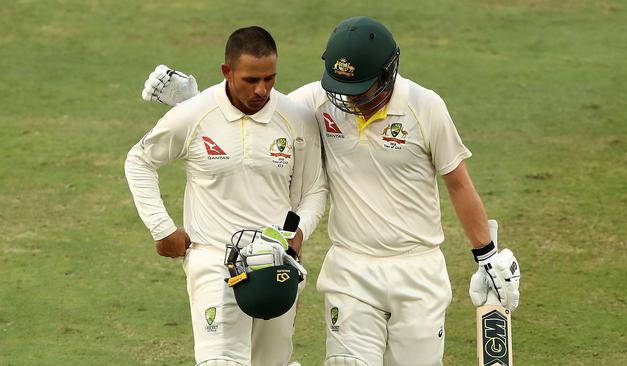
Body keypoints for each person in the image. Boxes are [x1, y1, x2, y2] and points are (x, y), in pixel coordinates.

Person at [141, 16, 521, 366]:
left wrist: (486, 256)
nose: (347, 98)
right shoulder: (320, 101)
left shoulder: (426, 107)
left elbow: (458, 183)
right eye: (341, 87)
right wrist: (196, 103)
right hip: (350, 268)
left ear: (388, 73)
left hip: (417, 266)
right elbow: (262, 106)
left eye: (359, 87)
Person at [125, 26, 327, 366]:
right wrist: (162, 228)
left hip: (274, 263)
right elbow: (139, 160)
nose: (261, 89)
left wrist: (297, 234)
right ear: (227, 72)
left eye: (270, 78)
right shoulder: (194, 113)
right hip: (214, 259)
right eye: (250, 80)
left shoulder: (296, 119)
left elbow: (314, 189)